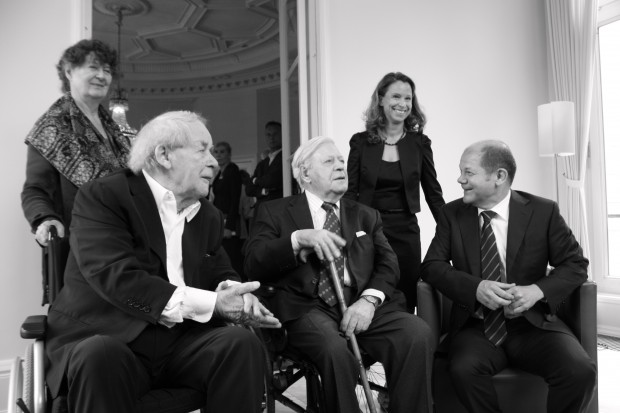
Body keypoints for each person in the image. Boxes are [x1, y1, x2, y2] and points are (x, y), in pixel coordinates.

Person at [44, 111, 281, 413]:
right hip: (110, 336)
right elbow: (116, 277)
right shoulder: (104, 196)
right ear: (164, 155)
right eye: (202, 149)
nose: (214, 161)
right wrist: (213, 303)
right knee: (99, 353)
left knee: (240, 344)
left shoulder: (207, 214)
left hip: (179, 343)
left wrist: (235, 292)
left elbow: (219, 269)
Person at [245, 136, 433, 413]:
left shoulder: (366, 215)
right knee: (335, 350)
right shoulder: (274, 212)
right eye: (329, 161)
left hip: (358, 304)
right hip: (306, 309)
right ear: (305, 173)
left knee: (417, 333)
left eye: (342, 161)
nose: (340, 166)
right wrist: (297, 239)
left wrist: (368, 301)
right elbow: (253, 262)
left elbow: (388, 263)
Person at [421, 140, 596, 413]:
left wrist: (537, 290)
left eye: (468, 172)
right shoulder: (452, 213)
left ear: (499, 176)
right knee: (463, 370)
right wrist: (475, 288)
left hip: (532, 325)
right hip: (476, 326)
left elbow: (575, 264)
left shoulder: (543, 211)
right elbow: (432, 265)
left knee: (580, 371)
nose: (460, 179)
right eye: (461, 171)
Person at [21, 39, 131, 280]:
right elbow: (35, 190)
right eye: (93, 67)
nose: (102, 76)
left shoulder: (116, 130)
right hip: (80, 252)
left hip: (127, 245)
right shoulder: (51, 127)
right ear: (69, 71)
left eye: (107, 70)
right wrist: (45, 218)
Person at [344, 72, 445, 311]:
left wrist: (451, 231)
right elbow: (350, 193)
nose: (403, 103)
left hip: (405, 230)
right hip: (368, 230)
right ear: (380, 99)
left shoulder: (420, 143)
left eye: (408, 98)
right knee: (369, 292)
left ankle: (407, 342)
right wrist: (345, 230)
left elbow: (433, 193)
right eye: (396, 96)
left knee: (407, 293)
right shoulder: (360, 142)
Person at [211, 141, 245, 279]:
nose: (219, 155)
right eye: (216, 152)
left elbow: (235, 199)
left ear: (229, 154)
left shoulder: (232, 170)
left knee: (231, 253)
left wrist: (229, 226)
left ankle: (238, 282)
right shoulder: (219, 172)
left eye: (222, 152)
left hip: (228, 221)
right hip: (219, 219)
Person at [244, 121, 284, 205]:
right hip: (262, 210)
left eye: (275, 134)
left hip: (279, 208)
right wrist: (263, 191)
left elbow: (271, 181)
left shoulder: (285, 158)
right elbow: (249, 190)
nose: (272, 138)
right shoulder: (262, 164)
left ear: (282, 134)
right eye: (268, 135)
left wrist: (255, 180)